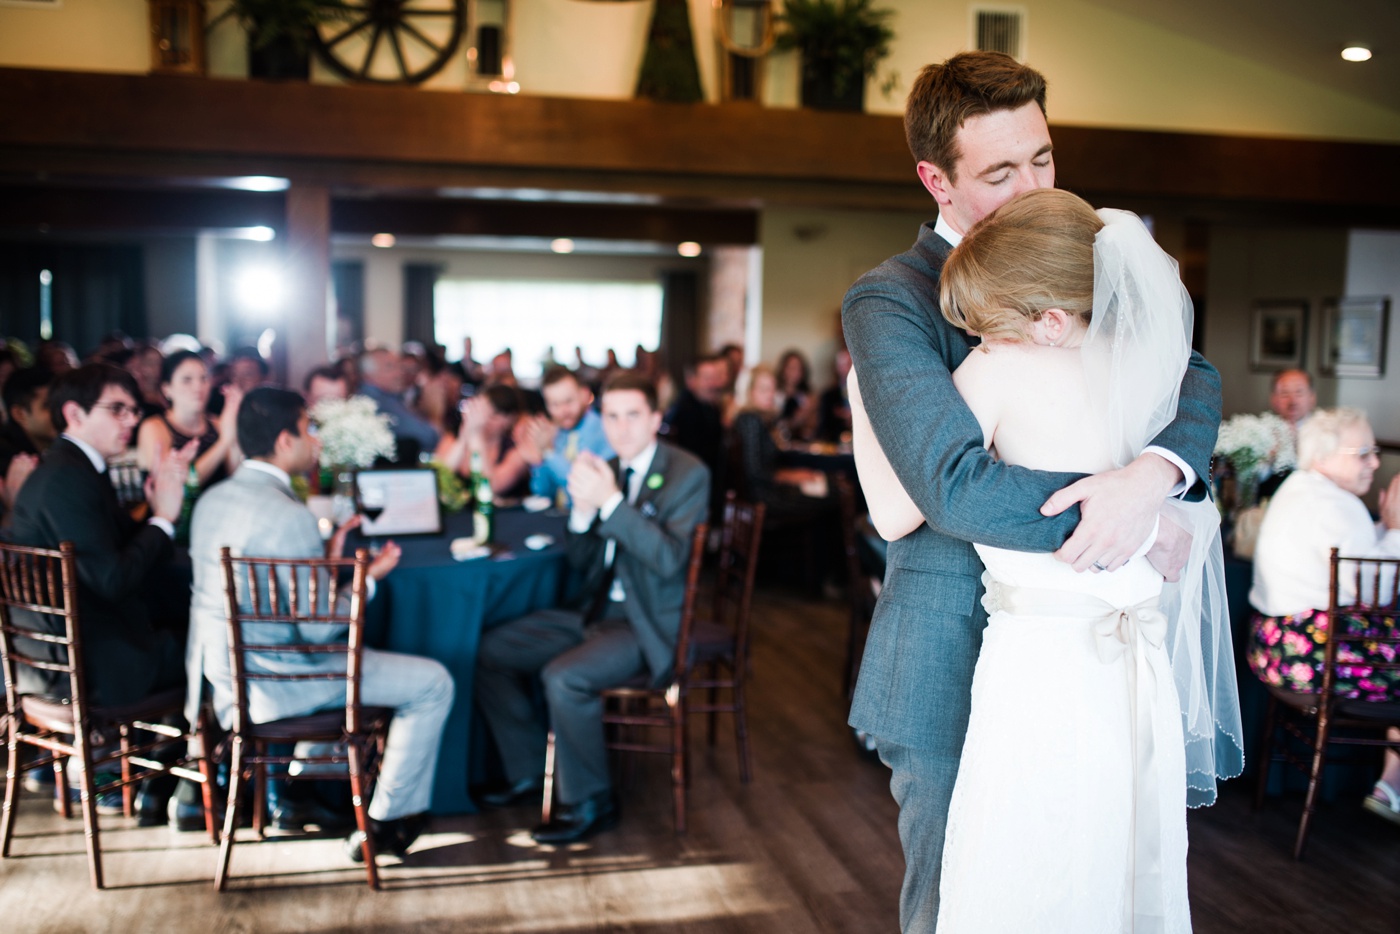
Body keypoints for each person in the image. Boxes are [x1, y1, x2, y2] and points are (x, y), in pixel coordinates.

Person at [841, 52, 1226, 933]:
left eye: (1043, 160)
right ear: (935, 179)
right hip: (951, 653)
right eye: (1000, 172)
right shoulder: (889, 300)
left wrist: (1155, 478)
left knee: (1104, 885)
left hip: (1097, 656)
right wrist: (1121, 517)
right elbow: (947, 484)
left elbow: (1192, 375)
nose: (1032, 188)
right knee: (961, 906)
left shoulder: (1081, 253)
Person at [187, 387, 454, 860]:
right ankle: (386, 821)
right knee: (434, 683)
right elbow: (318, 630)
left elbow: (266, 597)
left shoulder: (211, 501)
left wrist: (328, 564)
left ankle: (300, 791)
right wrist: (364, 581)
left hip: (227, 680)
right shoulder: (292, 517)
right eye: (309, 429)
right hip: (284, 682)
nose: (316, 440)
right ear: (285, 440)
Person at [474, 373, 709, 844]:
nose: (621, 428)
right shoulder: (608, 466)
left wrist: (611, 503)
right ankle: (525, 772)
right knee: (489, 650)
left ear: (655, 420)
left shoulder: (687, 473)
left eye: (633, 415)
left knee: (564, 677)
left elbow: (668, 560)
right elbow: (584, 565)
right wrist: (583, 516)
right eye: (612, 416)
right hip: (593, 612)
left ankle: (591, 801)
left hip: (645, 623)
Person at [7, 363, 195, 709]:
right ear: (74, 413)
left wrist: (159, 508)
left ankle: (172, 750)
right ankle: (201, 754)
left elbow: (120, 553)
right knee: (218, 644)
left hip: (76, 647)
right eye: (117, 409)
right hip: (86, 665)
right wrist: (163, 519)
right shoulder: (67, 479)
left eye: (134, 410)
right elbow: (112, 579)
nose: (131, 421)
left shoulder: (75, 467)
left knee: (193, 614)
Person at [1247, 407, 1400, 826]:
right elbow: (1378, 592)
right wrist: (1397, 527)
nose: (1374, 461)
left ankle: (1392, 781)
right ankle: (1393, 783)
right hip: (1316, 663)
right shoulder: (1339, 505)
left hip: (1274, 648)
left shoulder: (1300, 487)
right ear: (1325, 457)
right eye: (1363, 453)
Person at [136, 350, 242, 493]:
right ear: (167, 389)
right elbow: (173, 488)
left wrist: (234, 435)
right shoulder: (154, 427)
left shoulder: (218, 423)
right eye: (187, 380)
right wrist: (223, 443)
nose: (198, 387)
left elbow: (235, 475)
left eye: (203, 378)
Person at [514, 366, 614, 506]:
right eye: (555, 404)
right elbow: (542, 491)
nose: (563, 411)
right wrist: (538, 460)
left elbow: (580, 486)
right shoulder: (557, 432)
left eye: (568, 401)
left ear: (585, 395)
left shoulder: (602, 429)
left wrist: (548, 452)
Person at [437, 383, 532, 499]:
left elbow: (490, 487)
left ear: (509, 419)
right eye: (481, 412)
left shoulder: (515, 451)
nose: (485, 420)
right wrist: (463, 439)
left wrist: (476, 437)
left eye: (493, 416)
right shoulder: (452, 437)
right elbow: (437, 480)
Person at [357, 347, 440, 462]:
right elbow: (429, 437)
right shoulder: (378, 402)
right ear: (368, 374)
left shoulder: (388, 397)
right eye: (390, 367)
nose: (399, 373)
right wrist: (436, 410)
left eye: (399, 366)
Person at [775, 349, 818, 441]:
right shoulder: (774, 395)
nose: (795, 373)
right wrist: (795, 420)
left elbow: (813, 427)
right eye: (791, 368)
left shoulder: (807, 397)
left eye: (799, 369)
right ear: (783, 369)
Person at [816, 347, 854, 442]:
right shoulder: (828, 396)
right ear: (837, 367)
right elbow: (824, 428)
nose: (847, 368)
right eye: (843, 364)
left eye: (849, 364)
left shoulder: (866, 394)